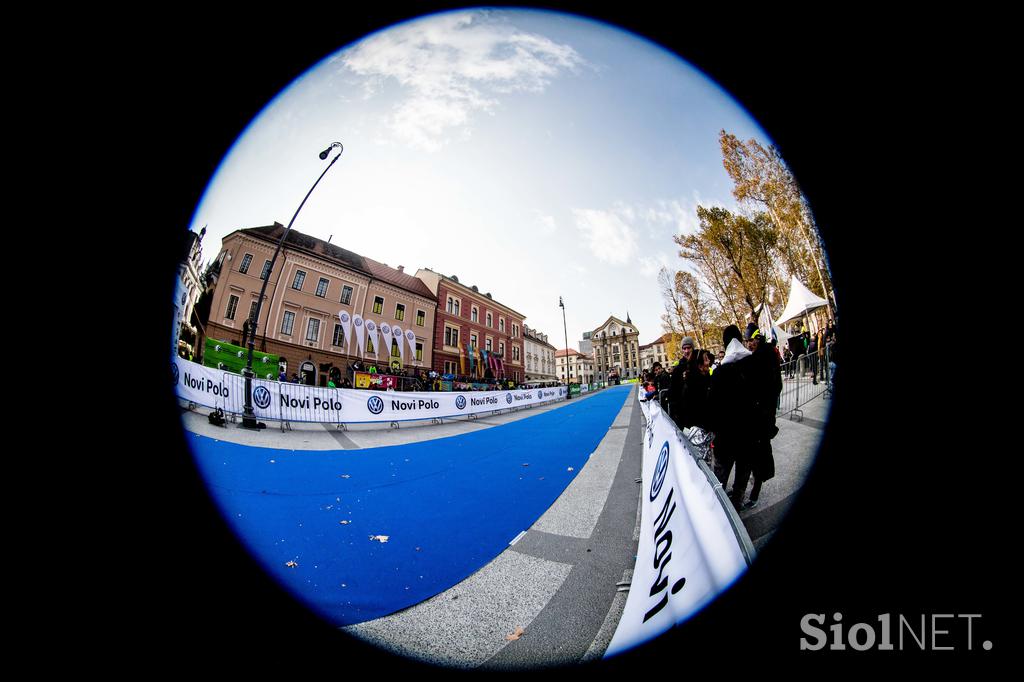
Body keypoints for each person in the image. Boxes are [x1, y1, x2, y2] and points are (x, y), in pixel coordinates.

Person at [730, 323, 783, 510]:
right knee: (755, 455)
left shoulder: (766, 355)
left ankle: (755, 492)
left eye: (751, 341)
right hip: (757, 414)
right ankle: (752, 486)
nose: (749, 344)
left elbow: (775, 386)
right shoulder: (755, 356)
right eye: (747, 341)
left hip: (764, 416)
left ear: (758, 338)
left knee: (760, 455)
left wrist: (765, 406)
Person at [705, 324, 757, 505]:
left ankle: (717, 509)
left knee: (719, 481)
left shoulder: (719, 372)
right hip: (747, 436)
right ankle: (736, 504)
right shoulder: (752, 366)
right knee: (741, 480)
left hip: (726, 438)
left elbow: (712, 405)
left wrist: (713, 429)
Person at [666, 336, 696, 427]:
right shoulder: (678, 369)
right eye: (684, 348)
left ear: (693, 348)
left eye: (689, 348)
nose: (687, 351)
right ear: (682, 350)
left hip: (698, 410)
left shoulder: (699, 365)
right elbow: (672, 392)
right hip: (683, 413)